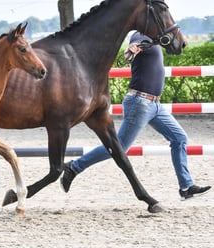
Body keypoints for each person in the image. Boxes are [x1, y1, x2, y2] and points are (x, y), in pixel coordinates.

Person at [61, 31, 211, 200]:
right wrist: (133, 49)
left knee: (179, 138)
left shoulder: (156, 39)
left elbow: (175, 41)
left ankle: (186, 187)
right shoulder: (141, 36)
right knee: (121, 147)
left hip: (155, 105)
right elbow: (137, 44)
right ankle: (74, 167)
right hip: (140, 103)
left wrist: (181, 39)